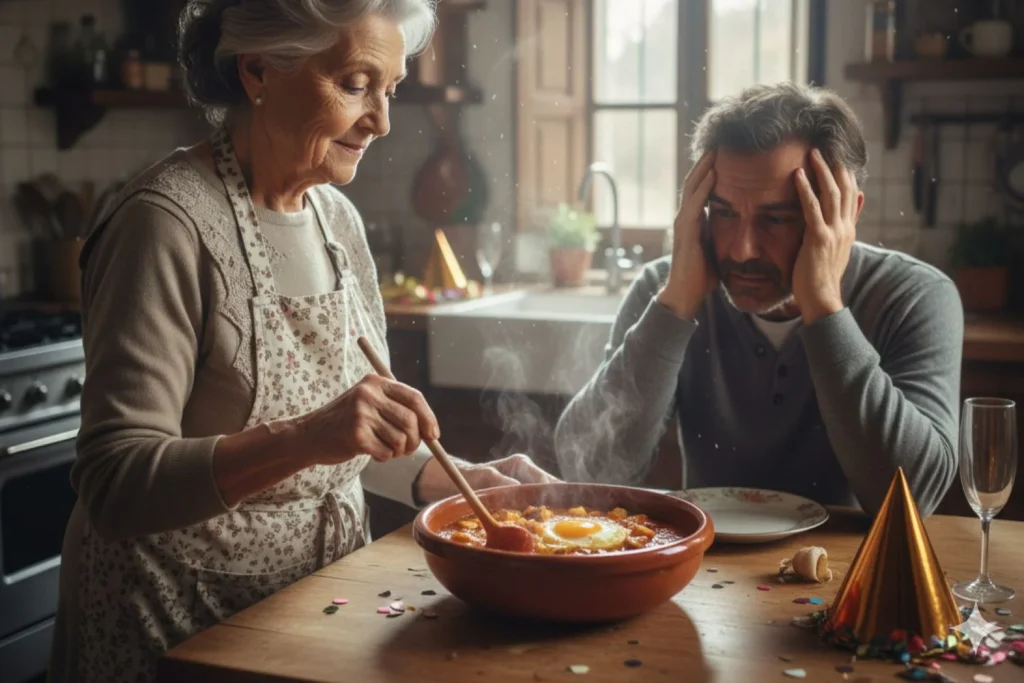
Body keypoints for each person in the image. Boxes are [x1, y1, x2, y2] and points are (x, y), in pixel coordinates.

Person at [50, 1, 556, 681]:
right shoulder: (164, 223)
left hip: (305, 610)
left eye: (390, 91)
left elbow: (351, 441)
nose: (381, 121)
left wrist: (459, 483)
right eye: (355, 85)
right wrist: (307, 435)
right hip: (174, 625)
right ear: (258, 70)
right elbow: (115, 482)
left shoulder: (336, 220)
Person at [554, 82, 963, 519]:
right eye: (724, 212)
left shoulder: (912, 296)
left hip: (852, 577)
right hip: (707, 578)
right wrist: (672, 308)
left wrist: (825, 307)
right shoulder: (670, 288)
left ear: (845, 213)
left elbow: (914, 498)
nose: (741, 249)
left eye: (776, 219)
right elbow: (590, 467)